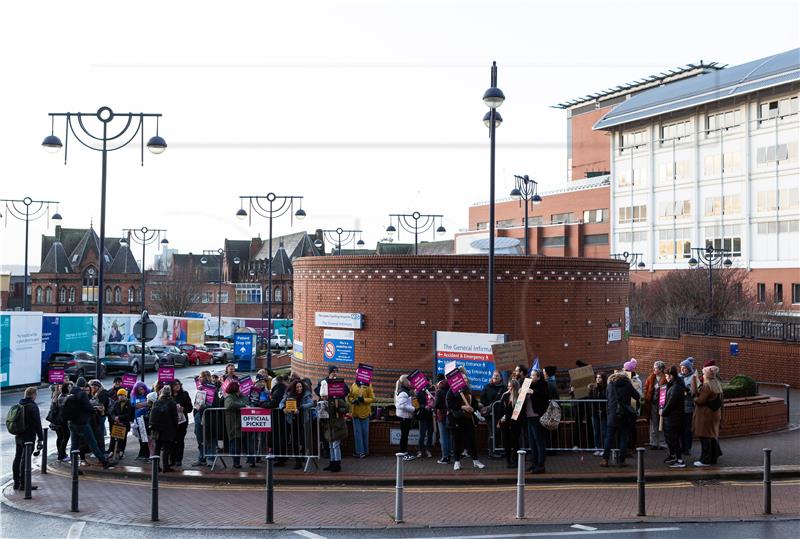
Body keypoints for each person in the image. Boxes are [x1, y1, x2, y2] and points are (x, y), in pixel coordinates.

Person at [65, 378, 113, 469]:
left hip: (72, 423)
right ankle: (104, 462)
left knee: (74, 446)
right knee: (93, 443)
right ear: (83, 385)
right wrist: (94, 409)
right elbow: (88, 407)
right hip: (82, 423)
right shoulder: (82, 394)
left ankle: (74, 467)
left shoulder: (71, 393)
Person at [446, 370, 485, 471]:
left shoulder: (468, 390)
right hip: (457, 420)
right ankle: (457, 462)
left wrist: (474, 407)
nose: (465, 380)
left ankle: (476, 461)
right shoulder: (452, 390)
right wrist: (462, 407)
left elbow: (474, 402)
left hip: (468, 419)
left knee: (471, 440)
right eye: (462, 379)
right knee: (457, 441)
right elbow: (449, 404)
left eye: (466, 378)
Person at [600, 371, 640, 467]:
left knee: (609, 438)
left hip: (613, 414)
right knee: (623, 437)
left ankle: (605, 460)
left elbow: (607, 397)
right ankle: (622, 461)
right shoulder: (627, 384)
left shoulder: (610, 385)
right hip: (624, 415)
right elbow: (637, 396)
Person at [11, 387, 44, 491]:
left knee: (17, 458)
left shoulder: (20, 404)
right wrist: (41, 438)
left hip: (18, 435)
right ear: (33, 395)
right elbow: (37, 423)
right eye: (36, 395)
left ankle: (16, 483)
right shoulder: (32, 406)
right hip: (29, 436)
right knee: (25, 460)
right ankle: (24, 484)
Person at [693, 365, 723, 467]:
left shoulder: (707, 386)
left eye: (703, 373)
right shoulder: (717, 384)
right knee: (712, 436)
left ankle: (705, 460)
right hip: (714, 414)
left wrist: (695, 399)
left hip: (705, 415)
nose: (702, 375)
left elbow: (700, 401)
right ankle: (713, 457)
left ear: (706, 375)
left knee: (704, 436)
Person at [280, 379, 315, 469]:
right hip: (292, 420)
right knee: (295, 441)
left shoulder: (306, 394)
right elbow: (281, 402)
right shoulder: (289, 394)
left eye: (300, 387)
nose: (299, 388)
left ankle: (303, 457)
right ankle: (297, 461)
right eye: (297, 387)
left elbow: (311, 403)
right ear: (294, 388)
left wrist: (300, 408)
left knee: (303, 440)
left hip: (303, 420)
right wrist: (283, 408)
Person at [223, 381, 255, 468]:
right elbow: (229, 405)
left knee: (249, 443)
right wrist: (243, 406)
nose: (241, 388)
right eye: (239, 387)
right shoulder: (229, 397)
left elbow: (250, 404)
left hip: (246, 424)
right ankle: (236, 462)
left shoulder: (244, 397)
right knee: (235, 444)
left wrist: (248, 406)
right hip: (234, 425)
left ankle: (252, 461)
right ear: (235, 388)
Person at [523, 368, 549, 474]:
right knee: (532, 442)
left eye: (533, 375)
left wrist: (532, 392)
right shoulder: (527, 384)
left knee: (539, 441)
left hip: (537, 416)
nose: (531, 377)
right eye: (531, 375)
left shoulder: (542, 385)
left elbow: (544, 397)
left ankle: (541, 464)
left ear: (538, 377)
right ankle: (534, 463)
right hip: (529, 416)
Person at [191, 371, 219, 467]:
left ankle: (210, 458)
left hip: (209, 416)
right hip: (199, 415)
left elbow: (216, 403)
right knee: (200, 437)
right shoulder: (200, 388)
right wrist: (195, 413)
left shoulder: (213, 389)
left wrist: (206, 407)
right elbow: (197, 402)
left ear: (206, 377)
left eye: (201, 377)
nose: (199, 379)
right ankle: (201, 458)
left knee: (210, 438)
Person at [320, 380, 348, 473]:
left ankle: (337, 463)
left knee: (335, 445)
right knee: (331, 446)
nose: (324, 397)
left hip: (337, 426)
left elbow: (346, 408)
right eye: (322, 396)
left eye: (325, 395)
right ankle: (332, 462)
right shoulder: (322, 402)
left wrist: (339, 409)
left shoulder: (336, 400)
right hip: (329, 427)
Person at [661, 366, 686, 467]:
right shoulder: (674, 384)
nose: (666, 377)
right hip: (672, 416)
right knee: (669, 438)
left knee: (674, 439)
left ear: (671, 376)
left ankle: (679, 460)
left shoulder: (676, 387)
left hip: (674, 417)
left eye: (667, 376)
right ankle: (672, 455)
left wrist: (664, 412)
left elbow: (671, 402)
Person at [149, 386, 178, 472]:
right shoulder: (172, 403)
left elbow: (152, 415)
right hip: (167, 428)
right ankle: (166, 467)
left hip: (157, 428)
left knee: (157, 447)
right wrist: (175, 428)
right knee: (166, 448)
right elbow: (174, 417)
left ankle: (156, 467)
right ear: (170, 393)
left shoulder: (156, 402)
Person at [347, 377, 375, 458]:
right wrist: (352, 401)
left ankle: (365, 451)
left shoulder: (368, 385)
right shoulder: (354, 384)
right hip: (355, 413)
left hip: (365, 412)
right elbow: (349, 396)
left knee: (365, 432)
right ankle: (360, 452)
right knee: (357, 433)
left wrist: (363, 400)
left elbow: (372, 398)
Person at [498, 379, 522, 469]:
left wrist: (507, 417)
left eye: (510, 386)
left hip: (515, 424)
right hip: (505, 424)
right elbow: (500, 409)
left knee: (515, 442)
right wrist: (501, 418)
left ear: (515, 387)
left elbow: (518, 412)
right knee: (506, 442)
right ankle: (508, 460)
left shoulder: (519, 397)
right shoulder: (505, 395)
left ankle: (515, 461)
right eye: (508, 386)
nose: (508, 388)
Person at [480, 370, 505, 457]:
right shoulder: (487, 387)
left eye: (497, 376)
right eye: (494, 375)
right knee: (492, 432)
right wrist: (489, 406)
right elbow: (482, 399)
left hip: (500, 414)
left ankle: (498, 449)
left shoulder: (503, 388)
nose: (495, 377)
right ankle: (492, 451)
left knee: (498, 432)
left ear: (501, 378)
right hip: (490, 414)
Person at [643, 361, 667, 450]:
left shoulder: (666, 378)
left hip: (662, 404)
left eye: (656, 368)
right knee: (653, 423)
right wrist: (646, 395)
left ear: (660, 369)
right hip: (652, 404)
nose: (654, 369)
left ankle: (662, 443)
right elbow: (645, 388)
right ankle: (653, 443)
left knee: (662, 424)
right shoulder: (650, 378)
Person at [678, 357, 699, 457]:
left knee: (687, 429)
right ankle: (682, 447)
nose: (682, 369)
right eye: (681, 367)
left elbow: (694, 392)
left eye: (684, 368)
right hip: (679, 408)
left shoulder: (692, 377)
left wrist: (686, 390)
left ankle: (687, 448)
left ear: (689, 369)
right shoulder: (679, 376)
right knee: (681, 429)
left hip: (688, 408)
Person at [47, 382, 72, 461]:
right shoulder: (62, 397)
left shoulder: (57, 395)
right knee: (65, 436)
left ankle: (61, 453)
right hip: (60, 420)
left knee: (60, 437)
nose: (70, 389)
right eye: (69, 387)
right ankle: (61, 454)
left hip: (57, 420)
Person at [394, 375, 416, 461]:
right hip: (404, 417)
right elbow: (402, 405)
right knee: (404, 436)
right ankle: (402, 453)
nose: (411, 382)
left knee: (405, 435)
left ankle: (403, 452)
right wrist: (414, 409)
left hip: (404, 416)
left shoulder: (404, 391)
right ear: (405, 382)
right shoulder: (403, 392)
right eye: (409, 381)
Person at [171, 380, 192, 467]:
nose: (177, 386)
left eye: (178, 384)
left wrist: (183, 409)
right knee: (171, 441)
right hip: (171, 422)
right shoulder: (168, 395)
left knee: (180, 441)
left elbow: (190, 408)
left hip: (182, 422)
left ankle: (178, 459)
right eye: (175, 385)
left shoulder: (184, 394)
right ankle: (172, 459)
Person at [108, 388, 134, 459]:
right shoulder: (116, 403)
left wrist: (119, 417)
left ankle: (121, 451)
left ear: (125, 396)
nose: (120, 397)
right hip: (116, 424)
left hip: (124, 424)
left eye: (122, 395)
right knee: (113, 438)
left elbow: (129, 415)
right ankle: (111, 451)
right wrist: (114, 418)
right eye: (119, 395)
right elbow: (112, 412)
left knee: (123, 439)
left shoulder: (129, 403)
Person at [587, 372, 608, 456]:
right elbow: (590, 401)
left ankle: (604, 448)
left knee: (604, 431)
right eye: (597, 377)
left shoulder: (606, 388)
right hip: (594, 413)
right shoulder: (593, 388)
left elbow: (607, 401)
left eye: (600, 377)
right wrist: (595, 410)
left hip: (604, 413)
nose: (598, 379)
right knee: (596, 432)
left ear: (603, 379)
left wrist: (602, 410)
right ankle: (597, 448)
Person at [130, 381, 151, 461]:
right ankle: (142, 453)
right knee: (141, 437)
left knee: (146, 437)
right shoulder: (134, 396)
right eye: (139, 390)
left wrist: (140, 405)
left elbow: (150, 403)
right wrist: (145, 403)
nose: (140, 391)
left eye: (142, 389)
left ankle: (146, 454)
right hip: (138, 419)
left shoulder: (148, 394)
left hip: (146, 419)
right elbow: (134, 405)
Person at [434, 375, 452, 464]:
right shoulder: (451, 389)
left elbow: (436, 405)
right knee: (449, 436)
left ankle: (445, 457)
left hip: (441, 416)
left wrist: (433, 407)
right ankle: (450, 454)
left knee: (443, 437)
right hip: (450, 415)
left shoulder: (439, 391)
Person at [88, 380, 110, 455]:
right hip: (94, 417)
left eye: (95, 386)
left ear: (99, 387)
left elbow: (102, 407)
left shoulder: (102, 394)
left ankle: (102, 452)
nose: (93, 387)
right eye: (92, 385)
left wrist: (93, 407)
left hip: (100, 417)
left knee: (99, 436)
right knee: (95, 435)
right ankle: (97, 452)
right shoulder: (93, 394)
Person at [415, 383, 435, 459]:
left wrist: (433, 406)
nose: (430, 383)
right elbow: (416, 404)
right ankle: (420, 451)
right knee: (422, 434)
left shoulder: (433, 391)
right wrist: (424, 406)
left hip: (430, 415)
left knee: (430, 434)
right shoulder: (420, 392)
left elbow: (435, 401)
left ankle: (428, 450)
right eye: (428, 382)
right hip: (423, 416)